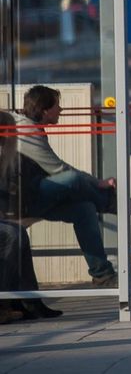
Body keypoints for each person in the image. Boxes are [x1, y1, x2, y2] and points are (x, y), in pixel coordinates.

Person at [14, 85, 131, 288]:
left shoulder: (31, 127)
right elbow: (58, 169)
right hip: (22, 199)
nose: (61, 110)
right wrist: (98, 183)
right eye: (57, 106)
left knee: (85, 210)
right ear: (45, 110)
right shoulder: (27, 130)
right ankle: (110, 203)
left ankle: (103, 275)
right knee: (72, 179)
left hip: (34, 194)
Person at [0, 111, 59, 321]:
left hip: (11, 213)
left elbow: (39, 177)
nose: (14, 136)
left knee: (17, 233)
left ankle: (28, 301)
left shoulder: (13, 158)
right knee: (12, 234)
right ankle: (7, 302)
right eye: (10, 132)